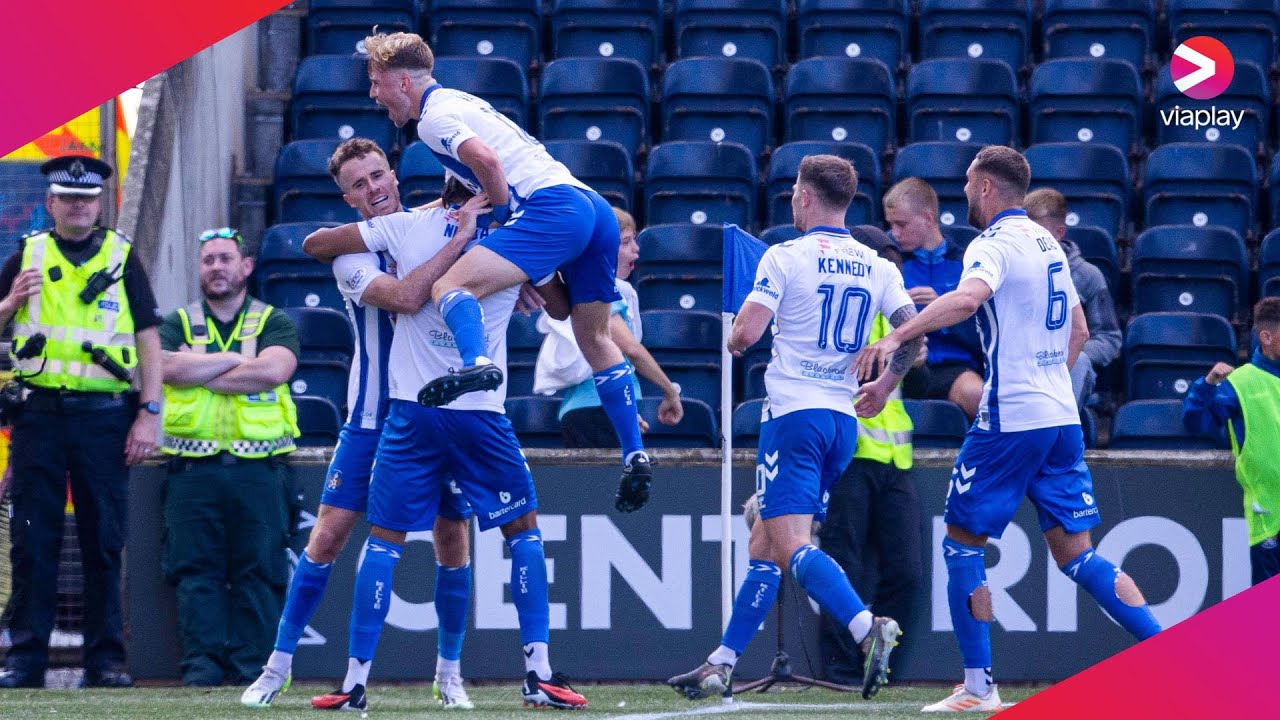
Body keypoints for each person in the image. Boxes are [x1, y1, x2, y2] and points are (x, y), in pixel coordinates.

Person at [857, 146, 1162, 713]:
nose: (964, 194)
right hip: (1059, 416)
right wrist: (1046, 379)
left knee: (961, 545)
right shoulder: (1048, 246)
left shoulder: (992, 243)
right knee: (1078, 556)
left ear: (987, 188)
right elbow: (1078, 330)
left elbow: (967, 299)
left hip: (1011, 418)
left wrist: (899, 334)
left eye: (968, 184)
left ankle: (978, 687)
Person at [304, 189, 589, 711]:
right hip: (479, 413)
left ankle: (355, 683)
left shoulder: (405, 226)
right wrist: (526, 273)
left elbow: (316, 243)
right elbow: (563, 307)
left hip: (412, 411)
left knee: (384, 542)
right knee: (523, 533)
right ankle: (538, 673)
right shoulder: (517, 237)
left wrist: (437, 228)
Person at [361, 31, 653, 514]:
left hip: (548, 211)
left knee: (449, 284)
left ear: (403, 82)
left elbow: (488, 162)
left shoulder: (432, 119)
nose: (374, 94)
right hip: (593, 209)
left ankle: (476, 362)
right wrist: (520, 268)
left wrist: (502, 222)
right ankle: (634, 453)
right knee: (592, 335)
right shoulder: (463, 103)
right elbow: (463, 193)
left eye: (376, 82)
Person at [667, 155, 921, 703]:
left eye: (793, 194)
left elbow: (744, 337)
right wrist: (883, 385)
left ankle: (866, 627)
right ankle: (722, 662)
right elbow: (912, 335)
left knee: (791, 545)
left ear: (804, 196)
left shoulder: (785, 256)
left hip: (793, 417)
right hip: (842, 423)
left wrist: (736, 327)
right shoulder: (877, 265)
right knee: (765, 542)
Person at [241, 139, 477, 709]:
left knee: (452, 538)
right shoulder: (353, 256)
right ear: (348, 198)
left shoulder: (430, 227)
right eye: (359, 184)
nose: (372, 189)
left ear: (394, 176)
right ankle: (277, 668)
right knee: (327, 537)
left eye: (377, 176)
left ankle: (449, 674)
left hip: (436, 412)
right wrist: (457, 240)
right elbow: (404, 297)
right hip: (372, 416)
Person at [0, 155, 163, 689]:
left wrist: (149, 413)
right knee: (32, 542)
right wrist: (10, 302)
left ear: (100, 205)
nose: (78, 206)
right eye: (68, 198)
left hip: (104, 420)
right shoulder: (26, 255)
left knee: (103, 542)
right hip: (37, 419)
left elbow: (148, 339)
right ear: (51, 203)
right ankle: (25, 660)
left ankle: (106, 661)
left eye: (87, 199)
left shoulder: (122, 257)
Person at [158, 229, 301, 686]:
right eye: (208, 260)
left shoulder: (274, 321)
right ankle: (200, 670)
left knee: (260, 571)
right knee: (193, 572)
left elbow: (274, 371)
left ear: (247, 266)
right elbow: (163, 367)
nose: (216, 267)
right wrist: (236, 362)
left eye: (225, 258)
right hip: (191, 471)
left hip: (258, 470)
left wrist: (199, 368)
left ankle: (253, 671)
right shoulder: (177, 321)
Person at [817, 225, 923, 686]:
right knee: (844, 565)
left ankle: (881, 664)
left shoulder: (897, 314)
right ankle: (843, 667)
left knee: (906, 572)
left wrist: (911, 343)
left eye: (895, 261)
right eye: (886, 260)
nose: (893, 269)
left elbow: (917, 368)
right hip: (849, 457)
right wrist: (906, 343)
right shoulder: (849, 306)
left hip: (895, 461)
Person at [539, 207, 683, 447]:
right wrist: (670, 391)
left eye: (634, 240)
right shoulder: (599, 289)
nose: (636, 249)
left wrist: (625, 414)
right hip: (597, 409)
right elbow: (632, 350)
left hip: (599, 409)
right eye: (625, 242)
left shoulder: (595, 287)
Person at [1183, 297, 1280, 586]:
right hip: (1270, 516)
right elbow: (1195, 424)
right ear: (1266, 337)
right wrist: (1207, 385)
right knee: (1270, 608)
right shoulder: (1240, 384)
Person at [883, 178, 984, 420]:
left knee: (977, 395)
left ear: (928, 218)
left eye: (901, 224)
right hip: (899, 366)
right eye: (891, 225)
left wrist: (946, 311)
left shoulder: (967, 264)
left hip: (952, 367)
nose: (895, 233)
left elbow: (984, 332)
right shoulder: (887, 261)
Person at [1023, 188, 1121, 408]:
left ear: (1059, 232)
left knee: (1080, 362)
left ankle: (1057, 423)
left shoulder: (1088, 276)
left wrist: (1067, 353)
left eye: (1037, 233)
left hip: (1068, 364)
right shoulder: (1012, 269)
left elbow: (1109, 338)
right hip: (1022, 360)